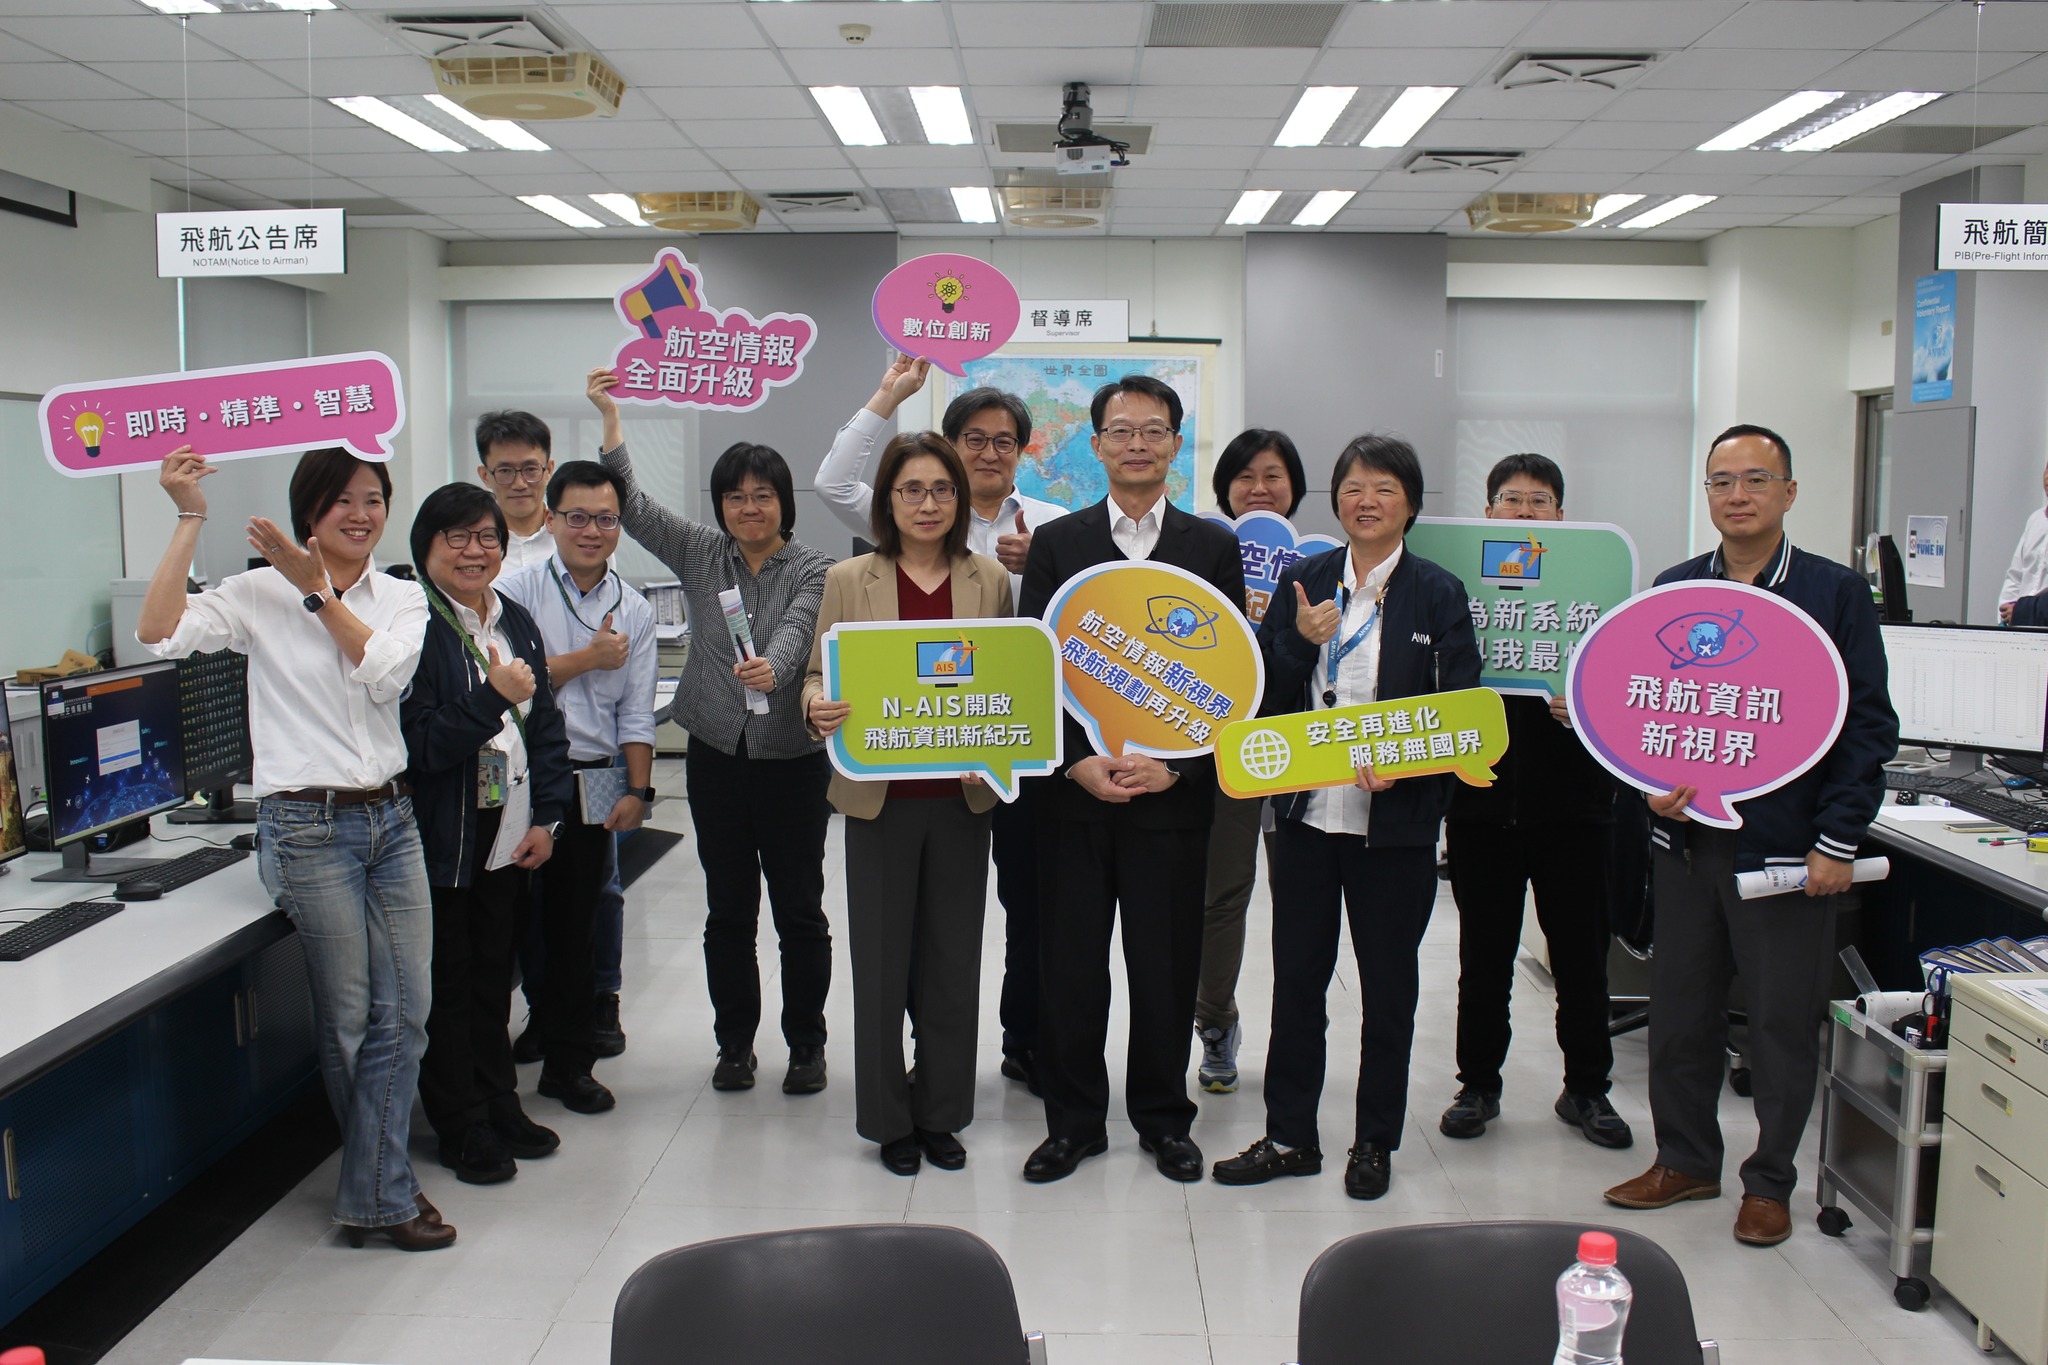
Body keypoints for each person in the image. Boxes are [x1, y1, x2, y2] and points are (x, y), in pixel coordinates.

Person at [138, 445, 450, 1251]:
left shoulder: (402, 595)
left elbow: (385, 674)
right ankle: (385, 1191)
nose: (361, 514)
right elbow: (158, 631)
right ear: (309, 510)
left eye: (374, 499)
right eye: (343, 500)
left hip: (391, 820)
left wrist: (316, 594)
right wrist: (189, 515)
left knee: (406, 1011)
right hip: (306, 828)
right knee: (348, 1016)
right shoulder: (256, 593)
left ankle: (375, 1187)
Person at [1603, 424, 1897, 1247]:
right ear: (1707, 494)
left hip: (1787, 852)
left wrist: (1837, 839)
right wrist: (1647, 785)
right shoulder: (1675, 589)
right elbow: (1641, 709)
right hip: (1687, 845)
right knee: (1680, 1013)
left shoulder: (1834, 593)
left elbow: (1867, 727)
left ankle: (1769, 1180)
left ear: (1789, 492)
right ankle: (1685, 1159)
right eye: (1722, 480)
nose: (1738, 494)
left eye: (1756, 479)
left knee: (1778, 1023)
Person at [1211, 434, 1480, 1200]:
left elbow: (1459, 712)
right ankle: (1290, 1135)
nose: (1367, 501)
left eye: (1385, 488)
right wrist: (1300, 643)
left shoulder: (1438, 593)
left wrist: (1410, 764)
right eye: (1354, 487)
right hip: (1305, 818)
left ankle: (1374, 1140)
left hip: (1393, 827)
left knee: (1388, 989)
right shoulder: (1304, 580)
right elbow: (1265, 693)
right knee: (1297, 982)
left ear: (1411, 504)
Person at [1016, 375, 1246, 1184]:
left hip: (1170, 802)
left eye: (1154, 430)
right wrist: (1073, 760)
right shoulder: (1059, 543)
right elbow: (1035, 666)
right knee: (1071, 971)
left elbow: (1229, 678)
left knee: (1164, 969)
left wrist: (1177, 765)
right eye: (1121, 430)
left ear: (1176, 445)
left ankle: (1163, 1118)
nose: (1137, 444)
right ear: (1097, 444)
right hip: (1074, 799)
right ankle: (1074, 1123)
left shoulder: (1211, 547)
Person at [817, 353, 1065, 1092]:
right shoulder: (866, 559)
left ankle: (996, 1062)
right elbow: (821, 670)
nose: (988, 452)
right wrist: (887, 395)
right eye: (973, 439)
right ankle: (891, 1099)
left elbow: (1038, 652)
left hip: (987, 773)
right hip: (887, 784)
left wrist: (1041, 564)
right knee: (888, 949)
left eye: (1003, 440)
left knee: (985, 934)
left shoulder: (1033, 541)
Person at [589, 367, 836, 1095]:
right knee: (728, 909)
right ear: (720, 504)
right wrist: (611, 421)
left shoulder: (815, 567)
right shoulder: (701, 551)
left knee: (800, 911)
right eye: (735, 496)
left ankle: (807, 1045)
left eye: (762, 495)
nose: (748, 508)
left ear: (784, 502)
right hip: (716, 756)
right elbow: (633, 508)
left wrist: (771, 668)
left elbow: (799, 629)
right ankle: (735, 1045)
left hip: (792, 760)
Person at [802, 431, 1009, 1175]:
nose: (928, 504)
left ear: (960, 499)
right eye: (911, 489)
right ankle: (890, 1119)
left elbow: (1006, 678)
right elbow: (817, 673)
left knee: (953, 963)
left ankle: (942, 1112)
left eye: (942, 489)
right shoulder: (849, 578)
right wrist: (816, 705)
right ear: (887, 500)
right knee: (882, 965)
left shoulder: (989, 579)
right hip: (878, 800)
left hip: (962, 798)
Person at [1438, 454, 1628, 1149]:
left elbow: (1634, 698)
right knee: (1483, 959)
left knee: (1581, 959)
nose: (1524, 512)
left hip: (1576, 806)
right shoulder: (1457, 589)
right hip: (1481, 804)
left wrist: (1591, 705)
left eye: (1539, 501)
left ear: (1560, 514)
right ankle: (1477, 1085)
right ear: (1489, 512)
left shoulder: (1598, 593)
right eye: (1511, 500)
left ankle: (1587, 1089)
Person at [402, 484, 574, 1186]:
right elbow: (420, 745)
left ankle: (499, 1100)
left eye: (487, 537)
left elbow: (548, 725)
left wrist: (548, 818)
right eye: (457, 537)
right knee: (450, 984)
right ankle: (460, 1121)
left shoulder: (515, 619)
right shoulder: (413, 625)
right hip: (445, 841)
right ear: (426, 546)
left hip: (509, 834)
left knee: (493, 977)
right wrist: (491, 696)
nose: (475, 551)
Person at [497, 460, 658, 1117]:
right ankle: (507, 1055)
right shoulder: (512, 592)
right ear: (551, 519)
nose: (592, 530)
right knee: (508, 921)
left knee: (576, 924)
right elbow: (505, 684)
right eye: (578, 517)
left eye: (606, 518)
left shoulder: (635, 608)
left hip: (593, 775)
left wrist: (639, 790)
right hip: (517, 775)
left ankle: (570, 1064)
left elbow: (637, 712)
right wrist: (586, 660)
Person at [1196, 428, 1308, 1094]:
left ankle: (1297, 1038)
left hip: (1303, 752)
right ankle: (1216, 1021)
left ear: (1295, 486)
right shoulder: (1198, 554)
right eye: (1245, 475)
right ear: (1225, 487)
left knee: (1300, 904)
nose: (1259, 488)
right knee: (1223, 894)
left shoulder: (1323, 561)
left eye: (1273, 475)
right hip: (1223, 749)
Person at [475, 410, 558, 572]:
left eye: (530, 469)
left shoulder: (576, 538)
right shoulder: (471, 548)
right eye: (505, 471)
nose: (519, 484)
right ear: (485, 476)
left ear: (549, 470)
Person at [1998, 454, 2048, 623]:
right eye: (2047, 469)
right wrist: (2003, 618)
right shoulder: (2036, 520)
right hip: (2019, 625)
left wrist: (2022, 612)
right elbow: (2016, 575)